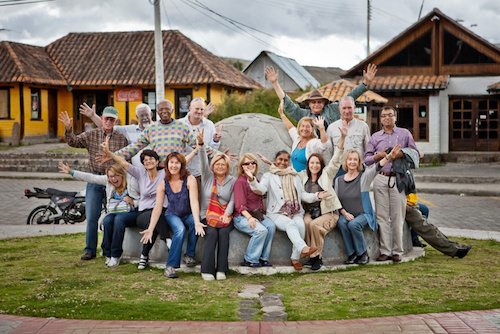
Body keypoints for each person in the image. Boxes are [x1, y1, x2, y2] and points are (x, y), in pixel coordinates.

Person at [59, 106, 128, 260]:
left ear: (116, 120)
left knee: (111, 215)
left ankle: (106, 248)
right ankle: (90, 250)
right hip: (95, 179)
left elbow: (126, 160)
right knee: (92, 217)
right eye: (106, 118)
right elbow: (73, 142)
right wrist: (69, 128)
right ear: (101, 118)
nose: (109, 121)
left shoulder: (121, 138)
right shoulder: (92, 134)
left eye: (112, 119)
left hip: (114, 182)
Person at [99, 138, 169, 270]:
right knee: (109, 220)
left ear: (157, 161)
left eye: (151, 159)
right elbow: (122, 162)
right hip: (140, 211)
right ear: (142, 164)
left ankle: (130, 255)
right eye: (145, 160)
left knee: (149, 218)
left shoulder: (163, 174)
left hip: (149, 210)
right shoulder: (140, 173)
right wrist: (109, 153)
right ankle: (108, 253)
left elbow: (179, 163)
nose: (148, 161)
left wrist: (197, 149)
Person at [246, 150, 319, 271]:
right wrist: (252, 180)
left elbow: (302, 195)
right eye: (280, 159)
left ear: (289, 162)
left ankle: (295, 258)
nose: (283, 162)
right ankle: (304, 248)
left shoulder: (294, 176)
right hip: (276, 213)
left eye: (286, 160)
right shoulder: (268, 176)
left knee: (300, 226)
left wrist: (317, 196)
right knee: (290, 224)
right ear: (275, 160)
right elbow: (261, 190)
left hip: (295, 211)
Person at [59, 162, 139, 267]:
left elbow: (145, 199)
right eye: (111, 176)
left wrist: (133, 202)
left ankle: (115, 255)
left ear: (122, 175)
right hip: (115, 212)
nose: (113, 179)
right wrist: (71, 172)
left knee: (119, 220)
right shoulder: (108, 182)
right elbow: (91, 178)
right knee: (107, 220)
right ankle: (108, 253)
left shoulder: (131, 182)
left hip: (131, 212)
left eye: (116, 175)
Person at [364, 106, 418, 263]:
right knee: (382, 216)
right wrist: (377, 156)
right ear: (380, 119)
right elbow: (366, 159)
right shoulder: (375, 137)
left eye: (390, 115)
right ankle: (385, 251)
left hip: (398, 178)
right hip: (380, 177)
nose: (387, 118)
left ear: (395, 117)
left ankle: (397, 251)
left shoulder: (404, 134)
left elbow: (414, 154)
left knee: (397, 216)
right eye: (384, 116)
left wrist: (400, 154)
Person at [335, 144, 401, 265]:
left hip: (363, 214)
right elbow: (336, 201)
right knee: (341, 223)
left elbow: (377, 167)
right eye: (350, 159)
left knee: (353, 225)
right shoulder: (338, 180)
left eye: (355, 159)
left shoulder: (364, 178)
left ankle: (362, 253)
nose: (352, 162)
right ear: (345, 161)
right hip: (346, 213)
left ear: (359, 162)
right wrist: (344, 213)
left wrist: (390, 156)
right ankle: (352, 254)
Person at [140, 152, 203, 278]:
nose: (174, 165)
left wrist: (196, 221)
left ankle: (189, 255)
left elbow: (194, 201)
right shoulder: (163, 183)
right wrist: (151, 229)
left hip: (187, 213)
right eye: (171, 163)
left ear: (182, 165)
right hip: (172, 214)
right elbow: (158, 207)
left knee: (195, 222)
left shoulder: (190, 179)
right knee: (180, 229)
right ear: (167, 165)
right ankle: (170, 266)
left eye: (177, 163)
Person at [265, 64, 377, 128]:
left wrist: (365, 82)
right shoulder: (303, 115)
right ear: (308, 104)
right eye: (313, 102)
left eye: (319, 102)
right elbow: (287, 102)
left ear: (324, 103)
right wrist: (275, 83)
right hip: (313, 155)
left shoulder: (333, 109)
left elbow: (350, 97)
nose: (316, 104)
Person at [298, 126, 347, 270]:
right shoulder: (302, 176)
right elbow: (288, 172)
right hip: (310, 212)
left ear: (321, 165)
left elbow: (337, 159)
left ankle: (317, 258)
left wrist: (343, 138)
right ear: (308, 165)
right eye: (312, 163)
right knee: (306, 223)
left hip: (328, 212)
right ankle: (310, 255)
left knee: (314, 225)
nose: (314, 165)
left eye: (317, 163)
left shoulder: (327, 174)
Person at [197, 130, 236, 281]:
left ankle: (221, 269)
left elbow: (233, 200)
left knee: (224, 233)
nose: (220, 167)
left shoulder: (232, 180)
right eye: (217, 164)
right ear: (213, 166)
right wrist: (200, 145)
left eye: (223, 164)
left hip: (225, 215)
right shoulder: (207, 177)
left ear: (227, 167)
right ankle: (206, 270)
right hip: (207, 215)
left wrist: (226, 215)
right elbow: (202, 160)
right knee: (212, 233)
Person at [115, 99, 196, 163]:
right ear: (157, 112)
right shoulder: (151, 129)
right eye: (161, 109)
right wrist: (113, 155)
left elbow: (197, 144)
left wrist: (205, 150)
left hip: (178, 171)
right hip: (158, 172)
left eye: (167, 109)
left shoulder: (183, 127)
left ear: (172, 110)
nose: (164, 111)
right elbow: (134, 147)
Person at [233, 153, 276, 268]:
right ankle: (250, 259)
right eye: (247, 163)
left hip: (257, 215)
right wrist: (250, 218)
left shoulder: (256, 180)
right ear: (242, 166)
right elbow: (239, 205)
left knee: (271, 226)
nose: (250, 165)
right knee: (261, 230)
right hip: (242, 217)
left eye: (253, 163)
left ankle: (263, 257)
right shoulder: (240, 182)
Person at [80, 103, 153, 167]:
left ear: (151, 115)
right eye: (141, 115)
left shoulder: (158, 128)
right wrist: (93, 116)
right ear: (137, 117)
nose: (144, 118)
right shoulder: (129, 130)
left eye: (146, 115)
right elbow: (108, 127)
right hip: (136, 172)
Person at [405, 194, 471, 258]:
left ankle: (414, 239)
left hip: (409, 203)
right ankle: (453, 250)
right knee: (427, 228)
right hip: (403, 205)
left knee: (424, 210)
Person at [277, 101, 330, 172]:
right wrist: (282, 114)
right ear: (299, 128)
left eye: (308, 127)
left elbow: (325, 145)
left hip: (307, 179)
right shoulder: (297, 139)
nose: (304, 129)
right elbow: (290, 127)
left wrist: (321, 128)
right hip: (295, 178)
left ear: (312, 129)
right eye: (302, 126)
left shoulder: (314, 143)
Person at [179, 97, 221, 185]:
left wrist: (215, 140)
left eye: (202, 109)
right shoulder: (179, 124)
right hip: (182, 172)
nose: (199, 111)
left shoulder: (209, 125)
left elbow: (211, 149)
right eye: (197, 109)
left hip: (202, 172)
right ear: (190, 108)